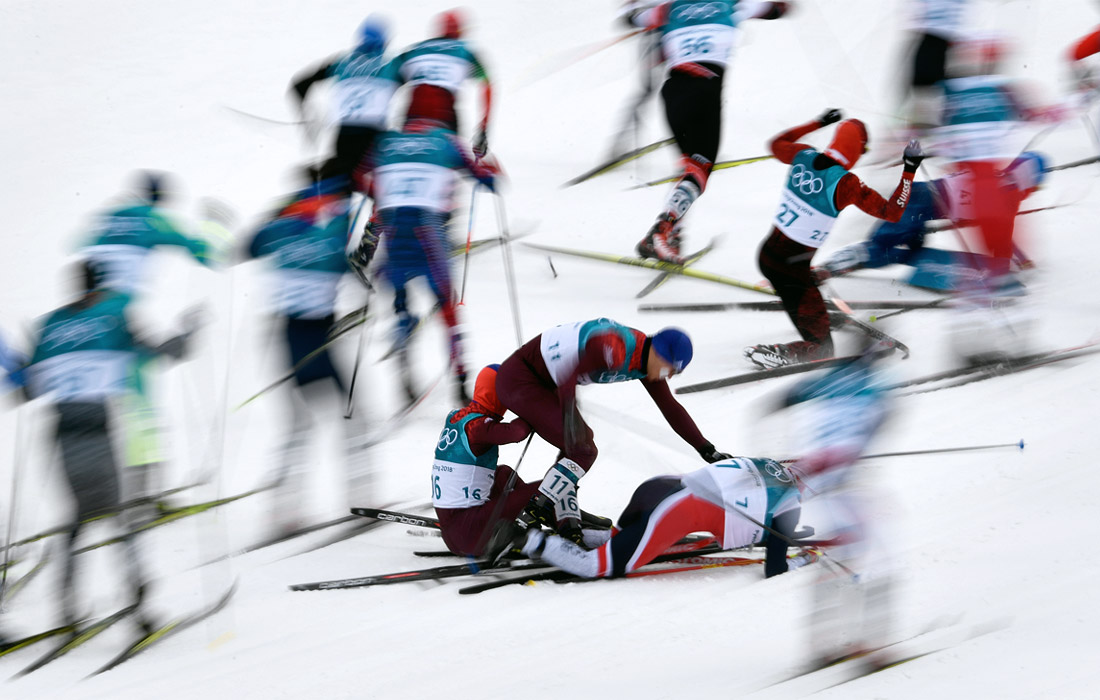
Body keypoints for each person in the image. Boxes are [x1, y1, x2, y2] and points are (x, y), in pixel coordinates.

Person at [23, 260, 200, 631]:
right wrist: (187, 334)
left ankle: (67, 607)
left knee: (78, 517)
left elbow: (27, 387)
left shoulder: (50, 326)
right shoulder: (111, 319)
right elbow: (162, 352)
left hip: (61, 433)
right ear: (101, 287)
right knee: (119, 518)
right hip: (97, 431)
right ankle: (139, 609)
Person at [495, 319, 731, 544]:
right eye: (671, 369)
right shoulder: (615, 347)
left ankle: (566, 520)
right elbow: (568, 378)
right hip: (521, 378)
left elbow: (670, 408)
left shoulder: (646, 361)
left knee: (578, 447)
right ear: (659, 353)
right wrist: (569, 416)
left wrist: (706, 449)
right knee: (583, 449)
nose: (668, 376)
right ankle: (526, 519)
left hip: (543, 382)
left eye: (675, 373)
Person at [79, 170, 226, 517]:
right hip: (118, 321)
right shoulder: (152, 220)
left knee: (106, 411)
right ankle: (141, 499)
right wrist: (214, 226)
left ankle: (110, 495)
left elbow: (83, 253)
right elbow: (205, 253)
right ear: (158, 199)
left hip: (90, 321)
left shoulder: (110, 218)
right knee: (142, 412)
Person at [743, 109, 924, 369]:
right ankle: (778, 353)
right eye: (862, 151)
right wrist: (909, 169)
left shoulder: (803, 155)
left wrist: (817, 122)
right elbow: (892, 212)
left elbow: (776, 145)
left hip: (767, 257)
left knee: (801, 290)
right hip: (793, 272)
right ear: (856, 150)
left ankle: (810, 309)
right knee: (822, 349)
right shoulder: (846, 183)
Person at [246, 173, 373, 533]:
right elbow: (360, 270)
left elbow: (250, 246)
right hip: (319, 337)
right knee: (354, 417)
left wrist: (282, 214)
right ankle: (363, 499)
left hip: (288, 337)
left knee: (298, 425)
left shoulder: (282, 232)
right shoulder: (330, 240)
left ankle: (282, 513)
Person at [623, 0, 791, 264]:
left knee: (690, 168)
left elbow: (631, 18)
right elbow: (777, 9)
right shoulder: (730, 4)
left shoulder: (669, 8)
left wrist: (633, 9)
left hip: (673, 93)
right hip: (704, 92)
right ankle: (661, 231)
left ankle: (670, 234)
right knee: (699, 169)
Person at [350, 117, 497, 404]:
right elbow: (487, 178)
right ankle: (460, 383)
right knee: (448, 312)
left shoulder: (386, 146)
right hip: (429, 241)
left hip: (396, 243)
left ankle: (404, 357)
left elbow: (358, 181)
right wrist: (486, 165)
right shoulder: (443, 143)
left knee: (401, 307)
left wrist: (367, 246)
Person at [488, 455, 811, 580]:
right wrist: (802, 559)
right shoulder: (790, 505)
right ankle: (527, 539)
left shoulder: (767, 463)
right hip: (675, 511)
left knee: (621, 540)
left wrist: (779, 536)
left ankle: (569, 539)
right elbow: (775, 570)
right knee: (599, 566)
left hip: (658, 487)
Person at [776, 345, 897, 666]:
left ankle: (822, 644)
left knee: (837, 559)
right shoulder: (875, 385)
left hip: (818, 483)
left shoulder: (827, 380)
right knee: (877, 557)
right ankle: (874, 645)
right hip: (847, 481)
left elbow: (782, 401)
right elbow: (885, 418)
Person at [815, 151, 1047, 281]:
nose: (1035, 191)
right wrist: (1004, 270)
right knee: (882, 246)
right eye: (1037, 185)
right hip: (917, 205)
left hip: (918, 202)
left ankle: (850, 263)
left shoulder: (992, 175)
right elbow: (1002, 235)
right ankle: (834, 266)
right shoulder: (1008, 197)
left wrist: (1019, 259)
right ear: (1030, 179)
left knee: (911, 251)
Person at [432, 365, 539, 556]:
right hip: (472, 534)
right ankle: (570, 529)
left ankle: (532, 519)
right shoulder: (478, 427)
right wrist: (532, 407)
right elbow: (518, 432)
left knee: (504, 474)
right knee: (550, 486)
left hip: (455, 531)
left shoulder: (458, 416)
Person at [289, 15, 399, 187]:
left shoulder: (341, 63)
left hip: (344, 135)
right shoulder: (391, 65)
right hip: (374, 137)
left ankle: (320, 180)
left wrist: (309, 116)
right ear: (384, 42)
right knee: (379, 180)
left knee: (342, 178)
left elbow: (299, 85)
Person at [389, 9, 493, 155]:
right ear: (460, 31)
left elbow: (388, 78)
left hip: (413, 113)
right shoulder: (465, 52)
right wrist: (483, 128)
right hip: (444, 114)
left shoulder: (415, 50)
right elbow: (487, 85)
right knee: (449, 162)